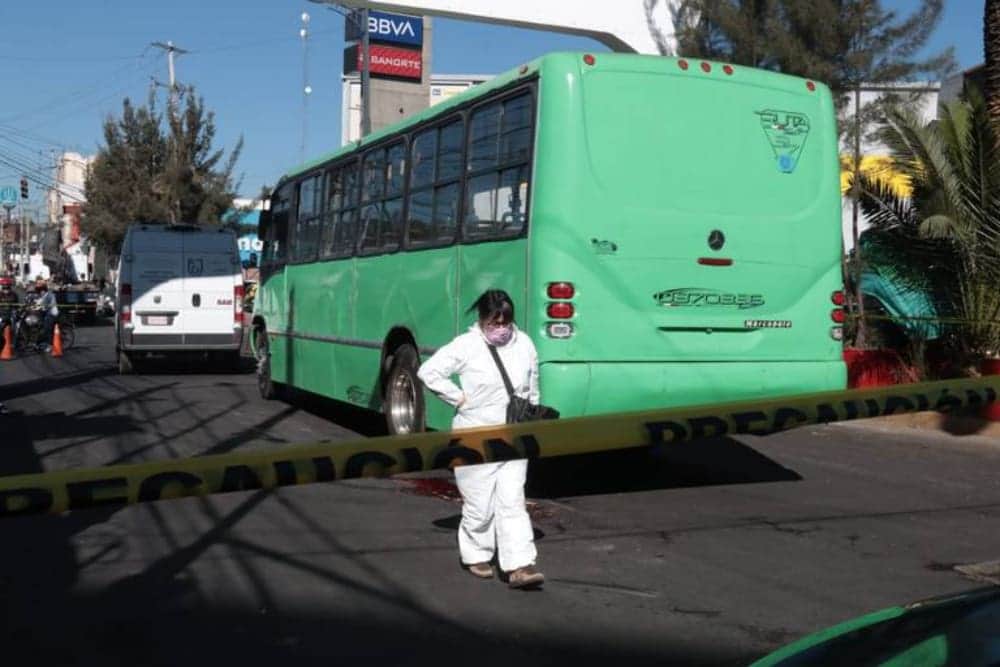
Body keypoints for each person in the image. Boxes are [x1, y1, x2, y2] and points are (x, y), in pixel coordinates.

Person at [417, 289, 545, 589]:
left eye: (506, 321)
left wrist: (532, 419)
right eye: (494, 321)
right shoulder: (466, 345)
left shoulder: (524, 343)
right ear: (482, 319)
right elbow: (429, 371)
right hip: (474, 433)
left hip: (513, 435)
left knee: (513, 501)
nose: (501, 327)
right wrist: (458, 399)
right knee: (479, 503)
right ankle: (476, 554)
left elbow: (533, 384)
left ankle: (519, 566)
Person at [33, 278, 59, 351]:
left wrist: (37, 307)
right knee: (39, 324)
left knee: (46, 328)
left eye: (39, 290)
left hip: (52, 313)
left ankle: (49, 345)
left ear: (43, 289)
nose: (38, 292)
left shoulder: (49, 295)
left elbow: (44, 304)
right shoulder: (43, 295)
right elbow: (38, 302)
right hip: (46, 312)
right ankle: (39, 342)